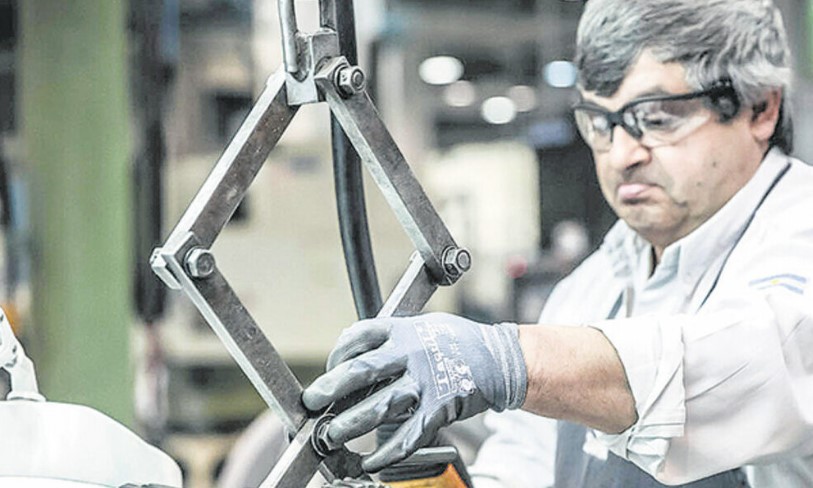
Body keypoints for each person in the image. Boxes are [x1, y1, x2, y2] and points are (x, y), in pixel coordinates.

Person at [302, 0, 813, 485]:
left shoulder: (798, 234)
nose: (621, 155)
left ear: (759, 109)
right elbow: (525, 463)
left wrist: (509, 359)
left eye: (657, 118)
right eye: (601, 123)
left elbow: (746, 365)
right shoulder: (591, 287)